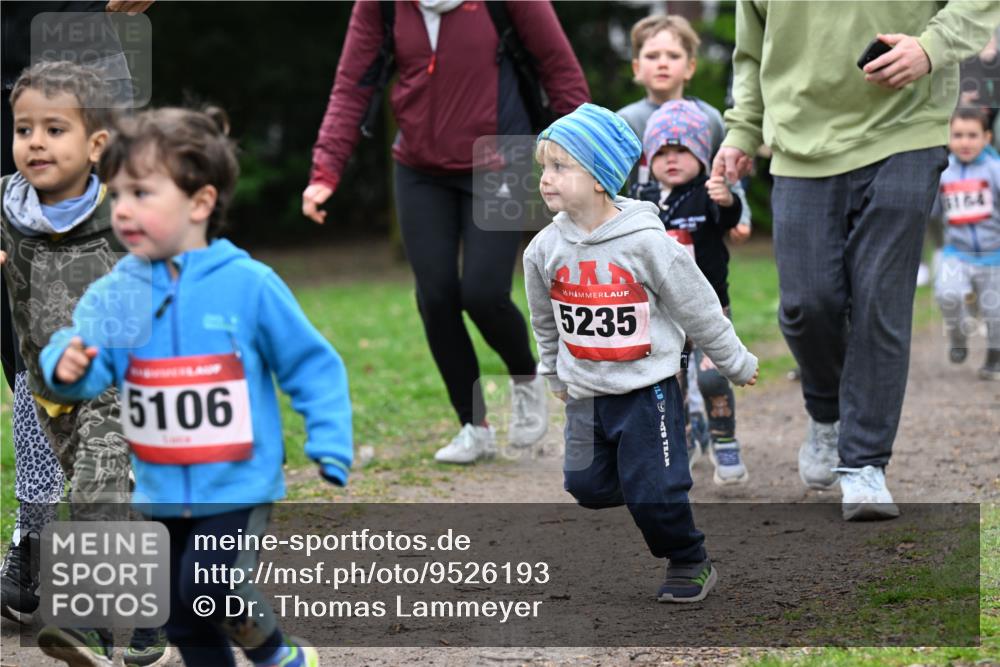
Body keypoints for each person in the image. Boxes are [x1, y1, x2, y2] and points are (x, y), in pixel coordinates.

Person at [40, 106, 351, 667]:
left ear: (200, 203)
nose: (124, 210)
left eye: (142, 193)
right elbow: (87, 362)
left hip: (238, 482)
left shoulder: (249, 285)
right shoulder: (117, 293)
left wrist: (328, 438)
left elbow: (310, 364)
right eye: (117, 196)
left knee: (202, 589)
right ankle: (275, 653)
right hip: (161, 489)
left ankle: (271, 648)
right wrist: (66, 363)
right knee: (186, 616)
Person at [715, 1, 1000, 521]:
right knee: (806, 304)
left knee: (878, 301)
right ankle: (827, 412)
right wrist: (742, 130)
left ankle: (864, 462)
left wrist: (930, 47)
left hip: (907, 128)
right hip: (802, 141)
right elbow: (751, 53)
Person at [303, 0, 589, 463]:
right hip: (418, 166)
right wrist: (325, 171)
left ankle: (525, 375)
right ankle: (473, 425)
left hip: (499, 157)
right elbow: (351, 85)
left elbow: (559, 70)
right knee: (434, 296)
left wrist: (588, 156)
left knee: (482, 293)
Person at [523, 103, 758, 602]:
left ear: (601, 178)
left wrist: (735, 361)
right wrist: (555, 375)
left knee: (656, 491)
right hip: (586, 391)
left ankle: (688, 559)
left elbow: (700, 309)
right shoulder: (542, 250)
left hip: (645, 388)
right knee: (585, 485)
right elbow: (545, 320)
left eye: (560, 167)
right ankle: (648, 481)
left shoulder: (650, 244)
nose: (546, 179)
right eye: (544, 167)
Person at [0, 60, 170, 666]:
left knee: (99, 489)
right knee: (123, 499)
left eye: (55, 129)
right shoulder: (7, 206)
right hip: (53, 395)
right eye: (24, 130)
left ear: (97, 143)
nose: (36, 143)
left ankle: (88, 624)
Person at [616, 14, 752, 466]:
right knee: (666, 366)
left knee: (708, 358)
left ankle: (716, 426)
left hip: (701, 251)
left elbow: (727, 175)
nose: (662, 64)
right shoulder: (626, 121)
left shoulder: (711, 118)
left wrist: (738, 211)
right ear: (636, 66)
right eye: (652, 56)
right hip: (651, 263)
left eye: (672, 55)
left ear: (690, 66)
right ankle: (682, 431)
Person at [636, 99, 747, 485]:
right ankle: (680, 444)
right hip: (665, 316)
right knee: (671, 384)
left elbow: (728, 216)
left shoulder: (707, 193)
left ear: (702, 155)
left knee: (713, 378)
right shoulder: (642, 200)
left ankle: (724, 438)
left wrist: (728, 199)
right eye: (662, 151)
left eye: (682, 150)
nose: (671, 159)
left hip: (710, 309)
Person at [933, 107, 1000, 380]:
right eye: (957, 135)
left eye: (972, 135)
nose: (965, 142)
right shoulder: (942, 173)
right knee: (946, 294)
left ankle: (994, 358)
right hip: (956, 254)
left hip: (993, 256)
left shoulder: (995, 170)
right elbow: (931, 212)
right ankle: (958, 338)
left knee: (995, 311)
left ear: (987, 138)